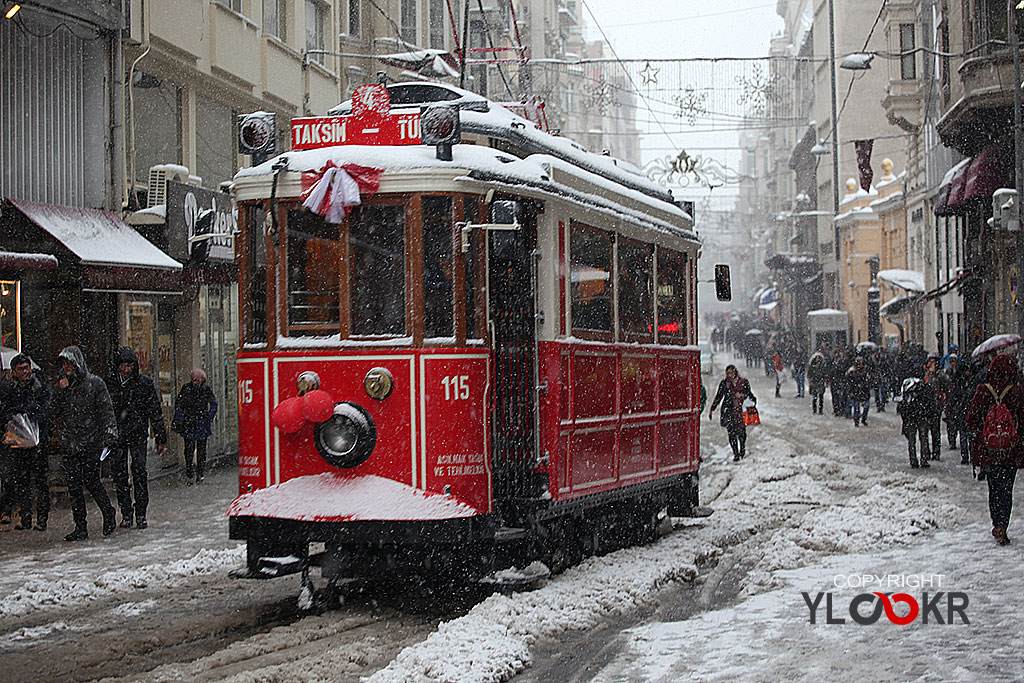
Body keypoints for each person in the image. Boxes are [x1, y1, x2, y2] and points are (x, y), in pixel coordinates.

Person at [52, 346, 118, 541]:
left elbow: (106, 411)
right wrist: (62, 391)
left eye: (69, 363)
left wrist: (110, 434)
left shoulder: (95, 384)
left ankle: (108, 513)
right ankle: (80, 526)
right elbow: (54, 411)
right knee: (73, 486)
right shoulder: (63, 387)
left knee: (92, 481)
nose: (66, 367)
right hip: (70, 443)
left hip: (90, 442)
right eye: (63, 364)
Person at [965, 354, 1024, 545]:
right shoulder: (1017, 392)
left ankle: (996, 521)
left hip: (988, 451)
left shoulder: (983, 391)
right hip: (1010, 451)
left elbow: (971, 422)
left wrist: (984, 433)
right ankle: (1002, 525)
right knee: (1007, 490)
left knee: (994, 489)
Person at [106, 347, 167, 529]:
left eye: (130, 366)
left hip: (137, 433)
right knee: (120, 474)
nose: (127, 370)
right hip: (118, 434)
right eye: (123, 366)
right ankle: (126, 512)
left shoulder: (143, 384)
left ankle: (140, 512)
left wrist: (160, 436)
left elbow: (155, 410)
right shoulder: (110, 383)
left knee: (139, 471)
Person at [0, 354, 51, 530]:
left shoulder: (38, 386)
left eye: (26, 368)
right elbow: (5, 410)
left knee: (39, 480)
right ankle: (26, 517)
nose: (25, 372)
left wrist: (30, 416)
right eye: (21, 369)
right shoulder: (9, 388)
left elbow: (45, 409)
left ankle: (42, 518)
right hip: (19, 441)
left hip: (36, 441)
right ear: (14, 372)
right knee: (22, 481)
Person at [172, 369, 218, 483]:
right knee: (189, 449)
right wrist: (181, 417)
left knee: (201, 450)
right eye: (193, 380)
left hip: (201, 422)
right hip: (189, 422)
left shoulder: (206, 390)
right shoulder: (186, 388)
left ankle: (200, 472)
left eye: (197, 380)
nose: (195, 382)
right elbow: (178, 403)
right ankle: (189, 469)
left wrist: (209, 417)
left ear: (202, 380)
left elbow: (214, 404)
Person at [708, 364, 757, 462]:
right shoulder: (724, 383)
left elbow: (749, 393)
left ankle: (742, 449)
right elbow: (719, 396)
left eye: (731, 373)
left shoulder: (744, 382)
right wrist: (712, 408)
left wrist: (746, 397)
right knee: (731, 433)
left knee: (742, 432)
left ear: (735, 372)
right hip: (728, 411)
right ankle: (736, 453)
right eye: (728, 373)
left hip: (740, 411)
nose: (729, 375)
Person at [897, 377, 935, 469]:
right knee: (923, 438)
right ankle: (923, 460)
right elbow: (930, 402)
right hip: (920, 416)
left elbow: (902, 406)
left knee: (912, 440)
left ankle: (914, 460)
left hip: (911, 417)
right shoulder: (923, 388)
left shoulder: (906, 387)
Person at [923, 354, 951, 460]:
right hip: (926, 405)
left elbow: (946, 385)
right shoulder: (926, 374)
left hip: (936, 405)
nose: (931, 363)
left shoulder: (939, 375)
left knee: (935, 430)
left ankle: (936, 452)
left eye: (933, 361)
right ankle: (928, 452)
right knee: (926, 430)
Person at [846, 356, 873, 426]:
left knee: (866, 406)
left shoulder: (866, 371)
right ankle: (856, 421)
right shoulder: (852, 372)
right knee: (856, 408)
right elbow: (850, 383)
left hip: (864, 391)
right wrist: (850, 391)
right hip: (856, 391)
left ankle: (864, 419)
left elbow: (869, 382)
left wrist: (869, 380)